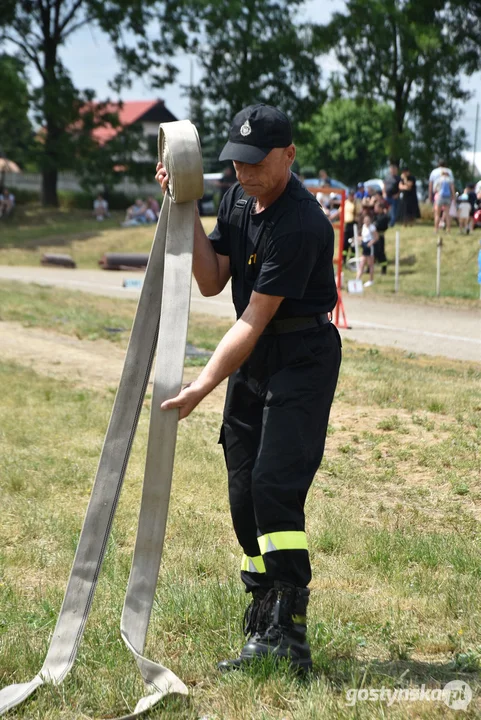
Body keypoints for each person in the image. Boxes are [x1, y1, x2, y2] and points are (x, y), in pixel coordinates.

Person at [155, 103, 341, 673]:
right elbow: (213, 282)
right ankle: (263, 611)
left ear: (289, 155)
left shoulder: (302, 222)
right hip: (258, 355)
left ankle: (291, 627)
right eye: (236, 163)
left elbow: (252, 321)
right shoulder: (237, 197)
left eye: (257, 163)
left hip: (301, 356)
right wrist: (182, 205)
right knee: (242, 486)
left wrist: (201, 385)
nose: (244, 174)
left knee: (274, 483)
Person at [356, 213, 378, 286]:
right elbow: (363, 237)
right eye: (365, 220)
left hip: (369, 246)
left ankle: (371, 280)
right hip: (364, 246)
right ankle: (357, 279)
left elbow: (376, 237)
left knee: (370, 264)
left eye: (368, 220)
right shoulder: (364, 227)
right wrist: (357, 238)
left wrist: (370, 243)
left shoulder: (372, 227)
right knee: (361, 264)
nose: (366, 221)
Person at [373, 201, 389, 275]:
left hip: (380, 237)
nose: (375, 209)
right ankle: (369, 269)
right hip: (373, 237)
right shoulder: (375, 216)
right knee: (372, 253)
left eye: (376, 207)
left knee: (380, 253)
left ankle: (384, 269)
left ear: (380, 208)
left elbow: (378, 226)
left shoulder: (384, 217)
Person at [342, 189, 356, 265]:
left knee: (353, 243)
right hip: (346, 225)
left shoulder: (356, 203)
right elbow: (339, 212)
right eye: (350, 195)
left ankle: (352, 261)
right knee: (345, 244)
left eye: (352, 195)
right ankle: (343, 259)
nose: (351, 196)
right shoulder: (345, 203)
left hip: (353, 225)